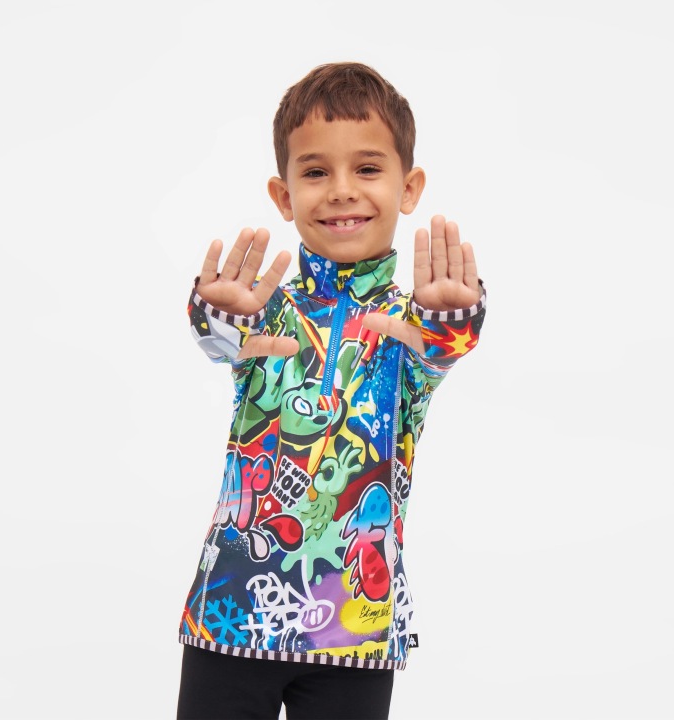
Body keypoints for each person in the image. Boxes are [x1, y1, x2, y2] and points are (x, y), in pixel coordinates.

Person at [176, 61, 486, 720]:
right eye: (316, 172)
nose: (342, 190)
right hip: (231, 616)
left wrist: (451, 317)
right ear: (284, 195)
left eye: (367, 168)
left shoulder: (409, 327)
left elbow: (445, 345)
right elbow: (221, 338)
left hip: (355, 631)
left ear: (408, 187)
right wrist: (218, 313)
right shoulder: (267, 312)